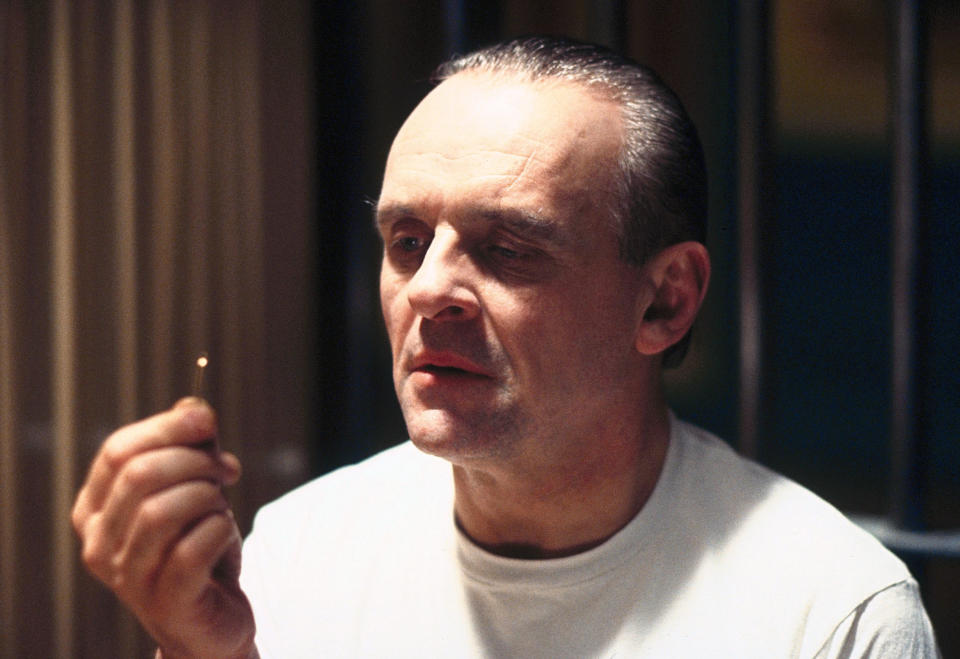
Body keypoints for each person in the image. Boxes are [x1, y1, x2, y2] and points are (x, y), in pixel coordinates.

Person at [72, 36, 939, 658]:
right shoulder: (298, 553)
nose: (427, 289)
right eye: (406, 241)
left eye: (508, 248)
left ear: (665, 300)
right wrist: (196, 651)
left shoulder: (831, 612)